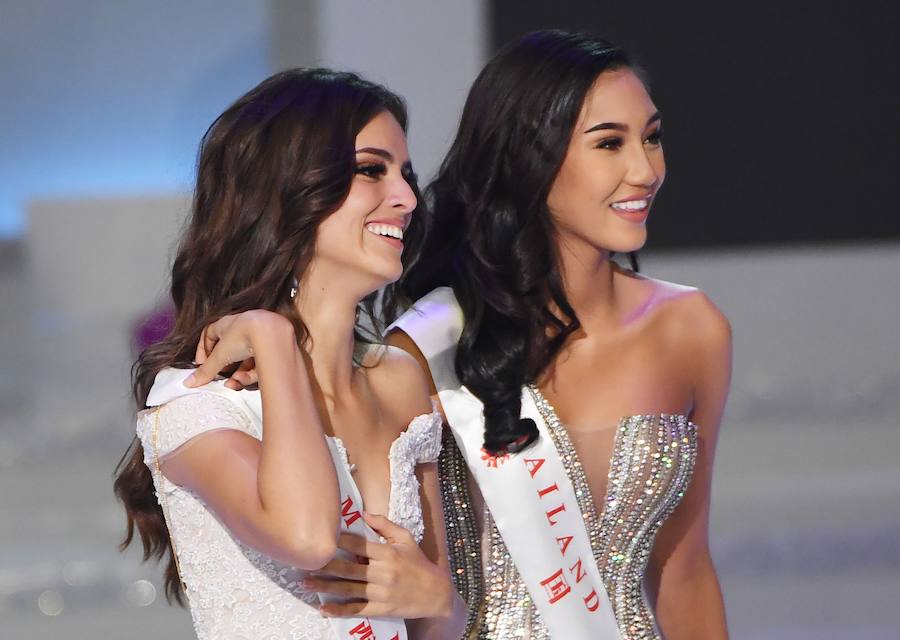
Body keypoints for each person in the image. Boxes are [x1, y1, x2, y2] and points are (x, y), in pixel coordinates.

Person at [379, 30, 731, 639]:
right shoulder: (429, 345)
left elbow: (685, 571)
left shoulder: (692, 329)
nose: (645, 170)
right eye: (609, 144)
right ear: (529, 158)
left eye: (652, 138)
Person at [113, 68, 465, 640]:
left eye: (406, 174)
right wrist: (272, 339)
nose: (404, 198)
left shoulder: (398, 379)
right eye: (371, 170)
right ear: (289, 189)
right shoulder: (200, 401)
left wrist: (439, 600)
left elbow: (434, 621)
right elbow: (306, 537)